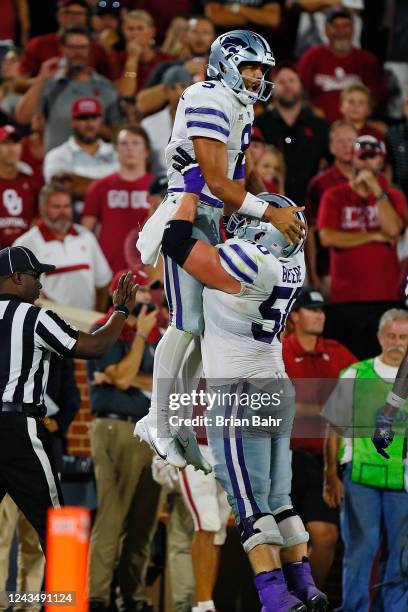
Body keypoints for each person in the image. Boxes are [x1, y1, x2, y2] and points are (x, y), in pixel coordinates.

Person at [135, 30, 306, 468]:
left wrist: (272, 202)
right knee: (186, 322)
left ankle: (176, 423)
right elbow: (213, 179)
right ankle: (158, 420)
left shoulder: (238, 102)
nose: (256, 76)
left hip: (212, 212)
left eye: (261, 70)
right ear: (226, 63)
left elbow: (238, 171)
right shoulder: (208, 95)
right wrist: (269, 217)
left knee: (200, 330)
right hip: (188, 208)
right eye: (250, 67)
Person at [158, 185, 328, 611]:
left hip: (239, 395)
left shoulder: (250, 262)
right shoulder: (293, 266)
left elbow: (176, 241)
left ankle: (275, 597)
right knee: (280, 499)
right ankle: (305, 585)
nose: (245, 223)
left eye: (260, 220)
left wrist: (190, 194)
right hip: (276, 388)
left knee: (250, 503)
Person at [0, 245, 138, 550]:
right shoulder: (33, 317)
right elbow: (95, 347)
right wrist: (120, 312)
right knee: (58, 530)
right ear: (17, 277)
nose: (41, 284)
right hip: (17, 428)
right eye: (36, 276)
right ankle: (63, 600)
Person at [322, 309, 408, 612]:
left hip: (404, 482)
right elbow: (333, 428)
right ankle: (354, 608)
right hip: (360, 478)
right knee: (362, 550)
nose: (397, 343)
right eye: (391, 336)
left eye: (403, 337)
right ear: (380, 337)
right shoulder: (356, 374)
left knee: (401, 556)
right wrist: (330, 475)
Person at [87, 270, 162, 612]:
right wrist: (138, 342)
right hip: (115, 429)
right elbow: (123, 378)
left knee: (143, 522)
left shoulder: (156, 335)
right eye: (141, 290)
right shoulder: (106, 329)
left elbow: (163, 383)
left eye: (152, 290)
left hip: (151, 434)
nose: (148, 296)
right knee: (112, 516)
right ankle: (98, 596)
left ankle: (132, 596)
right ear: (123, 293)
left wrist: (129, 377)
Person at [282, 288, 356, 589]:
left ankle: (309, 599)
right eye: (312, 310)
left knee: (325, 537)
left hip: (322, 462)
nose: (319, 315)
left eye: (322, 310)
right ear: (294, 316)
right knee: (285, 543)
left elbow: (361, 394)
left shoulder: (337, 351)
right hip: (283, 462)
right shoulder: (279, 351)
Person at [318, 135, 407, 359]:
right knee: (348, 364)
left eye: (372, 156)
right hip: (345, 299)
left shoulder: (393, 196)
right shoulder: (335, 195)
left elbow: (394, 229)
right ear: (354, 160)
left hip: (385, 295)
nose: (367, 162)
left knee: (387, 364)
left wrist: (377, 190)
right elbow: (327, 237)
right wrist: (374, 236)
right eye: (362, 156)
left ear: (381, 161)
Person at [15, 25, 122, 152]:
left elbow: (117, 135)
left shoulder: (106, 87)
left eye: (82, 47)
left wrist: (95, 127)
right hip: (58, 166)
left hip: (95, 166)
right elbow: (23, 117)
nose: (78, 52)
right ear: (62, 49)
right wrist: (41, 79)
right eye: (72, 47)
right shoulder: (50, 83)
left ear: (89, 49)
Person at [14, 183, 112, 312]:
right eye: (56, 207)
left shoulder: (86, 237)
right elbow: (15, 289)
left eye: (66, 206)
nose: (63, 212)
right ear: (42, 209)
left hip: (86, 324)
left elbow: (103, 283)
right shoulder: (25, 244)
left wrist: (98, 319)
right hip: (46, 325)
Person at [254, 64, 330, 204]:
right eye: (281, 82)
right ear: (272, 87)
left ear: (301, 84)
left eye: (292, 80)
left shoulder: (320, 126)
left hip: (310, 206)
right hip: (267, 205)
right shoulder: (258, 124)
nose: (287, 86)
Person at [82, 125, 153, 274]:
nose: (129, 148)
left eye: (135, 143)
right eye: (124, 143)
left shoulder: (159, 188)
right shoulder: (99, 187)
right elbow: (85, 234)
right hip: (106, 271)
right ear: (116, 150)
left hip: (149, 271)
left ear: (146, 151)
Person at [297, 5, 385, 123]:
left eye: (346, 26)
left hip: (357, 127)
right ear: (326, 30)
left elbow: (376, 98)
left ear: (353, 29)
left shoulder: (367, 60)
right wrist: (311, 111)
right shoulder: (311, 57)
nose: (341, 31)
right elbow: (298, 91)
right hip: (319, 126)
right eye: (335, 26)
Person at [305, 119, 357, 293]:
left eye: (351, 141)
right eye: (340, 141)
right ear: (332, 147)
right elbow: (310, 230)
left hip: (366, 265)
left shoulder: (376, 182)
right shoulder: (319, 183)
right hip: (329, 270)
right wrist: (312, 272)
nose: (347, 146)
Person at [43, 97, 118, 218]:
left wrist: (80, 183)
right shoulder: (57, 155)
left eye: (94, 118)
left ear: (101, 121)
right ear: (72, 121)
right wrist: (115, 188)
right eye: (83, 118)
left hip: (114, 220)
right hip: (75, 222)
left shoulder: (117, 152)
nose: (89, 123)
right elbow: (61, 190)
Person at [136, 16, 215, 117]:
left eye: (205, 33)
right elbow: (142, 104)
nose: (200, 37)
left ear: (213, 38)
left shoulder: (222, 71)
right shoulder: (166, 67)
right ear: (185, 36)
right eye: (194, 32)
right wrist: (180, 73)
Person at [19, 0, 111, 79]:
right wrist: (44, 80)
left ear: (86, 18)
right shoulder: (38, 44)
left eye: (79, 13)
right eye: (67, 12)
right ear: (58, 16)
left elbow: (110, 82)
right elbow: (19, 83)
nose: (73, 17)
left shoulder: (97, 49)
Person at [108, 10, 175, 99]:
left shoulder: (167, 60)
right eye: (130, 29)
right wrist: (132, 60)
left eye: (140, 28)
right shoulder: (114, 59)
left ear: (152, 32)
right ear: (123, 32)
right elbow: (126, 93)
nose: (135, 33)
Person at [141, 66, 193, 175]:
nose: (179, 92)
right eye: (173, 88)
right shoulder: (148, 124)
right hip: (160, 183)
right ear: (165, 91)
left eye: (183, 86)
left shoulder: (207, 121)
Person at [0, 125, 42, 249]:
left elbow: (41, 216)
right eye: (5, 143)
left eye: (16, 143)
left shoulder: (32, 183)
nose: (12, 149)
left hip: (25, 254)